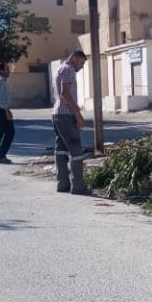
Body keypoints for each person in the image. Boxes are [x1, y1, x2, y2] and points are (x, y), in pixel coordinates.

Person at [52, 49, 90, 194]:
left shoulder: (60, 68)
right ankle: (78, 186)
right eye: (81, 63)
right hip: (67, 115)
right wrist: (78, 114)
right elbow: (65, 92)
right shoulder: (68, 69)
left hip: (57, 114)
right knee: (76, 150)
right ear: (74, 58)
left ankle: (62, 184)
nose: (82, 66)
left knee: (61, 150)